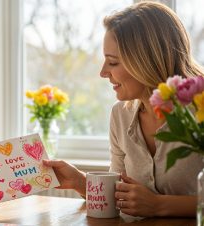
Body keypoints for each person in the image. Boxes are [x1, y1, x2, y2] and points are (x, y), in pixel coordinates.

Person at [44, 1, 204, 217]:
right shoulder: (121, 115)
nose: (103, 72)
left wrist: (159, 205)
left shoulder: (199, 108)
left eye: (113, 62)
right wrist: (79, 182)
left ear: (145, 61)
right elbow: (122, 194)